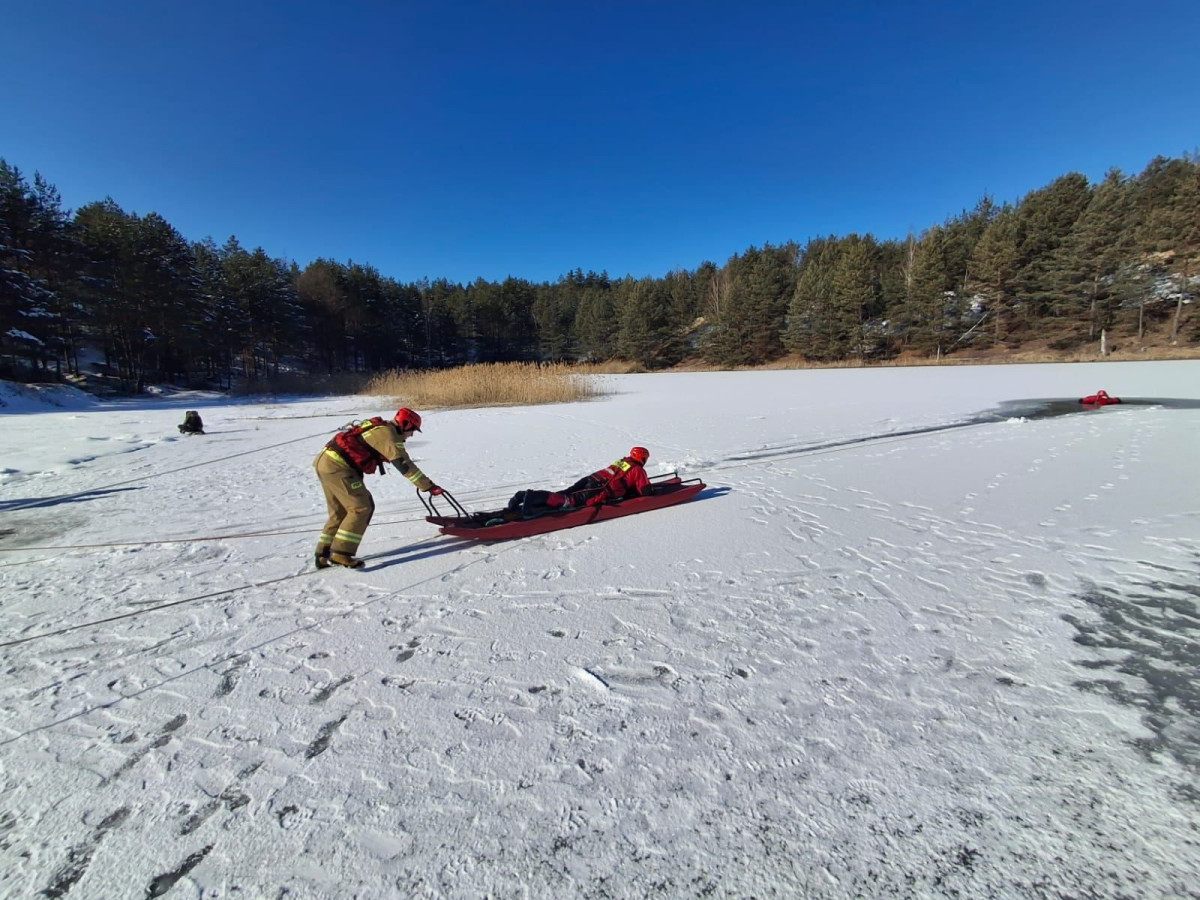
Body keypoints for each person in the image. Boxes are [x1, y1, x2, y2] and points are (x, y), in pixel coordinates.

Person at [313, 407, 443, 568]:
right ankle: (341, 553)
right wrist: (428, 486)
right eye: (413, 430)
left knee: (340, 512)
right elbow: (403, 464)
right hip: (339, 467)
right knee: (361, 507)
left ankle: (323, 554)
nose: (411, 435)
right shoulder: (388, 435)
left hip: (325, 462)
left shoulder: (381, 428)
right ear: (406, 425)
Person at [506, 446, 653, 517]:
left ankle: (533, 500)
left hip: (592, 479)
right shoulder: (638, 470)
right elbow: (645, 491)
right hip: (598, 488)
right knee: (568, 501)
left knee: (563, 495)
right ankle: (529, 496)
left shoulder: (623, 461)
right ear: (642, 458)